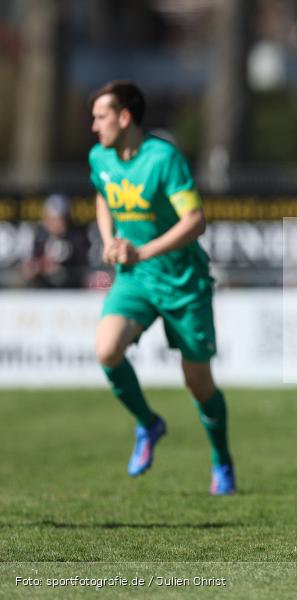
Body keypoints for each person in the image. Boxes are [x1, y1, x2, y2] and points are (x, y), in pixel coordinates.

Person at [89, 80, 235, 494]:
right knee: (107, 350)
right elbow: (102, 193)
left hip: (184, 283)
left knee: (198, 382)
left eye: (100, 117)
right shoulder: (99, 155)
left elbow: (195, 221)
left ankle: (222, 461)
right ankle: (149, 425)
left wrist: (142, 251)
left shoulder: (163, 158)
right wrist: (108, 239)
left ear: (124, 117)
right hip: (136, 280)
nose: (94, 126)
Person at [22, 194, 90, 288]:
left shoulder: (77, 238)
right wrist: (36, 267)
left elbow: (82, 269)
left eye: (56, 219)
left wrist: (60, 271)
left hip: (71, 292)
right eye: (49, 219)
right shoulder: (41, 237)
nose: (52, 223)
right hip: (43, 290)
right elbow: (33, 262)